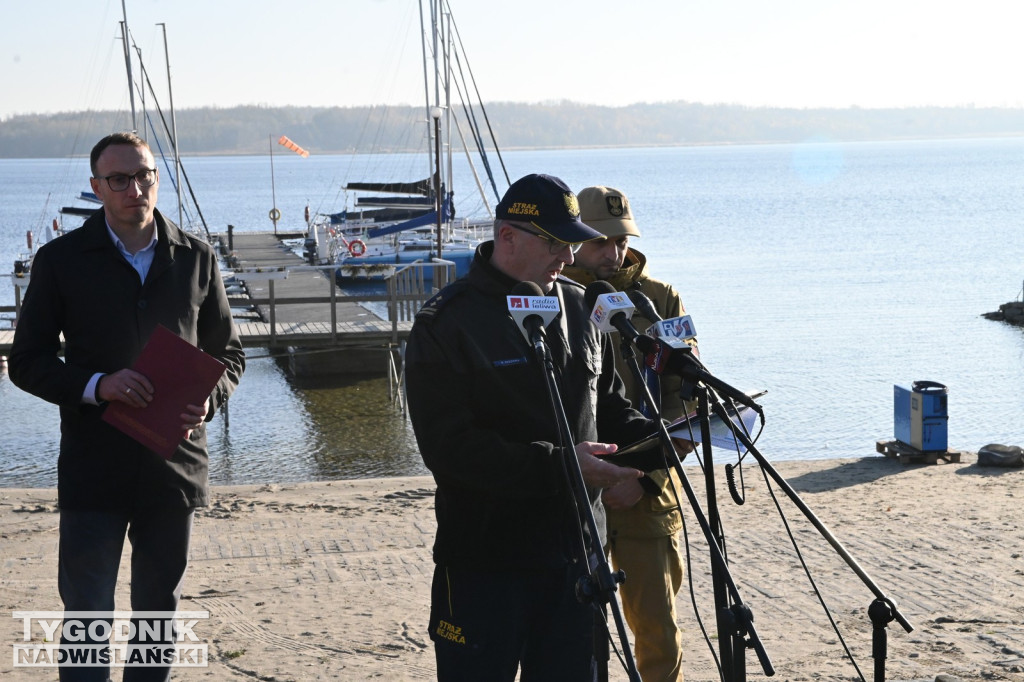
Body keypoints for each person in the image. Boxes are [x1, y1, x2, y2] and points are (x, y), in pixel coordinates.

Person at [405, 174, 676, 681]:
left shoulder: (579, 306)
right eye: (556, 242)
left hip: (579, 562)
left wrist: (670, 441)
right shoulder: (446, 323)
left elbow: (610, 410)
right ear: (508, 236)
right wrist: (564, 466)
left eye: (572, 242)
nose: (569, 257)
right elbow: (451, 450)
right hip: (486, 565)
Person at [8, 131, 245, 682]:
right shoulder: (60, 260)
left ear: (156, 180)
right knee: (88, 614)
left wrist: (209, 399)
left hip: (174, 466)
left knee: (157, 615)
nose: (134, 188)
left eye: (144, 176)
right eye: (119, 179)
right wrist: (97, 384)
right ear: (96, 187)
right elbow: (27, 361)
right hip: (96, 465)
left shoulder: (196, 257)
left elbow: (228, 352)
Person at [565, 185, 696, 682]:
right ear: (575, 241)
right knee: (578, 633)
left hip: (648, 490)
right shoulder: (555, 297)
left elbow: (685, 401)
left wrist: (639, 477)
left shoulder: (659, 299)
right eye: (601, 241)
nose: (614, 252)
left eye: (622, 241)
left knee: (657, 632)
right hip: (577, 491)